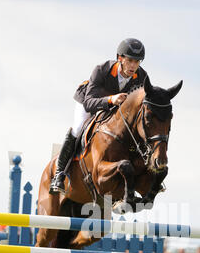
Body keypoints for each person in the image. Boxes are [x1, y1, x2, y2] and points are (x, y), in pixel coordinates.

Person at [50, 38, 148, 194]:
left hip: (116, 111)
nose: (133, 66)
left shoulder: (142, 77)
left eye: (137, 62)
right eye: (129, 60)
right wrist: (111, 99)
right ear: (120, 58)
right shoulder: (102, 70)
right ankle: (59, 175)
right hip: (90, 101)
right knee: (78, 128)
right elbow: (89, 102)